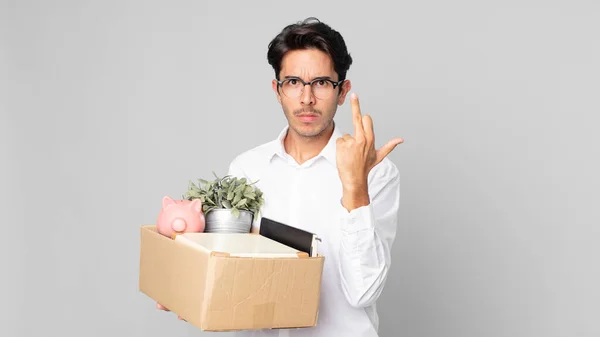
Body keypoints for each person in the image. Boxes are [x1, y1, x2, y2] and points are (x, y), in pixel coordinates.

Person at [158, 17, 403, 337]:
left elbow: (363, 293)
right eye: (293, 82)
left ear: (342, 91)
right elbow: (230, 270)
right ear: (277, 90)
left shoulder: (378, 174)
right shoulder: (247, 168)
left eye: (321, 82)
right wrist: (186, 287)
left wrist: (355, 185)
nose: (306, 99)